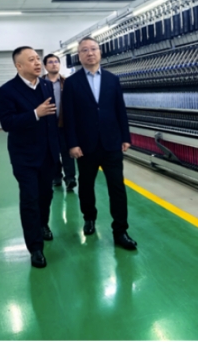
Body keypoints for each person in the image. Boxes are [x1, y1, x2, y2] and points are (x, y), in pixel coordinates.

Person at [62, 37, 137, 250]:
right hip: (85, 146)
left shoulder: (113, 79)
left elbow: (120, 110)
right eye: (84, 50)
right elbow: (69, 116)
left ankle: (120, 231)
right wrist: (72, 144)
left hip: (111, 143)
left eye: (93, 49)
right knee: (86, 186)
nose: (90, 53)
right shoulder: (72, 83)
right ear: (79, 56)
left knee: (117, 188)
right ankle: (89, 217)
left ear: (100, 52)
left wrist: (125, 137)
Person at [0, 46, 60, 268]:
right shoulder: (7, 91)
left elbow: (52, 120)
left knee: (46, 194)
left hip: (48, 154)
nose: (37, 63)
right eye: (31, 59)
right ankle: (35, 248)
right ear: (19, 65)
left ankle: (43, 224)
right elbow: (7, 123)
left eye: (38, 59)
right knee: (30, 199)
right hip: (24, 157)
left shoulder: (46, 85)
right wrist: (35, 114)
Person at [42, 54, 77, 191]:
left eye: (56, 61)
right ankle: (56, 176)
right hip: (47, 125)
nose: (54, 64)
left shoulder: (66, 82)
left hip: (64, 123)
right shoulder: (39, 84)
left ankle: (70, 178)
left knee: (67, 151)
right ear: (45, 66)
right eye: (50, 62)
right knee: (52, 152)